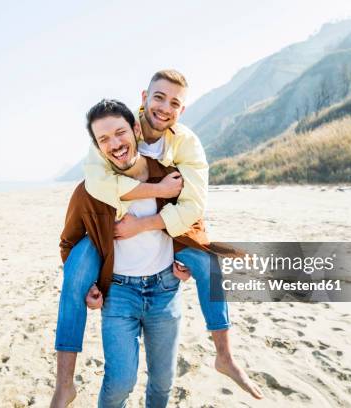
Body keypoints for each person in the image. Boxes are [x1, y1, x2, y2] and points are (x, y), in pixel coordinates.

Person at [50, 72, 263, 407]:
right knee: (118, 379)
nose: (115, 143)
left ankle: (225, 356)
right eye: (158, 98)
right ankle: (64, 383)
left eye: (174, 102)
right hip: (119, 292)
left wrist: (148, 223)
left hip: (164, 288)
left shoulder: (177, 158)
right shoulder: (94, 182)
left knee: (207, 264)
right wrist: (90, 284)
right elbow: (73, 234)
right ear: (144, 99)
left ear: (134, 130)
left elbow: (194, 209)